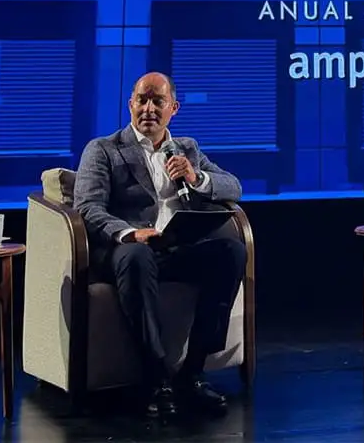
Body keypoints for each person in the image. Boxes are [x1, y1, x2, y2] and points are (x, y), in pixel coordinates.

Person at [74, 72, 246, 417]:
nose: (149, 109)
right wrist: (128, 232)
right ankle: (156, 378)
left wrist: (197, 178)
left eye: (158, 102)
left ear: (174, 108)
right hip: (128, 251)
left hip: (175, 249)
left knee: (231, 251)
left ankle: (192, 373)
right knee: (137, 256)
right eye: (142, 100)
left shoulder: (187, 149)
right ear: (130, 104)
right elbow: (87, 208)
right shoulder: (104, 149)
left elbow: (234, 187)